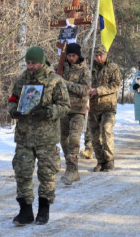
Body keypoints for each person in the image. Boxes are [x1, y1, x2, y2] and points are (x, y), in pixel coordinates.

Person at [8, 46, 70, 225]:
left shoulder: (55, 81)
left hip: (46, 137)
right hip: (24, 136)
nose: (30, 66)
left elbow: (65, 106)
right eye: (28, 62)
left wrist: (47, 112)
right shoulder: (22, 80)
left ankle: (44, 209)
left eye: (33, 63)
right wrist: (15, 111)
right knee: (22, 172)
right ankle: (25, 211)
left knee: (46, 174)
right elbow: (12, 100)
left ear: (42, 62)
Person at [60, 43, 91, 185]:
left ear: (78, 56)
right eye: (69, 55)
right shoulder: (60, 68)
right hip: (63, 109)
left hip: (78, 110)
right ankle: (71, 167)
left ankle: (72, 170)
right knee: (63, 139)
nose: (71, 58)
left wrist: (66, 83)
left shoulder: (84, 71)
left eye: (74, 55)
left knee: (74, 140)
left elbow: (85, 90)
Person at [88, 44, 121, 172]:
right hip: (93, 106)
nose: (98, 57)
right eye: (96, 55)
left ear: (106, 55)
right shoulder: (90, 68)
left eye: (101, 55)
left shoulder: (113, 68)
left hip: (108, 106)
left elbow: (116, 84)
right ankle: (100, 160)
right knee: (94, 135)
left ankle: (109, 159)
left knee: (106, 129)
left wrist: (98, 90)